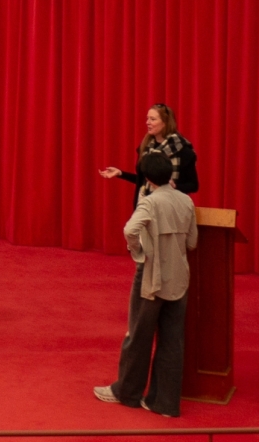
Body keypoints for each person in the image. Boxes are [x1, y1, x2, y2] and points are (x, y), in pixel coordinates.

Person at [93, 152, 197, 417]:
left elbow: (129, 230)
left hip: (151, 275)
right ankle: (165, 403)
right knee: (173, 340)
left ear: (148, 178)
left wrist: (137, 251)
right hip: (179, 277)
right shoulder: (186, 201)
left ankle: (127, 392)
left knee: (138, 335)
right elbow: (193, 242)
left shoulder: (150, 203)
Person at [98, 104, 198, 205]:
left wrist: (174, 186)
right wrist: (121, 173)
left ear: (165, 123)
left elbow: (193, 185)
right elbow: (144, 180)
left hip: (170, 208)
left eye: (152, 119)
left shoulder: (182, 150)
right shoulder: (146, 148)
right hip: (145, 205)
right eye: (147, 119)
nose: (147, 123)